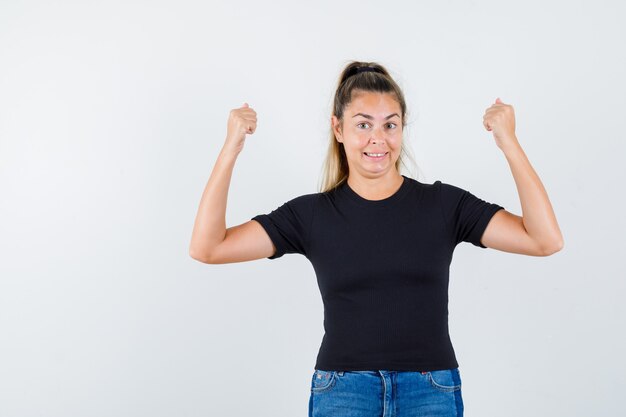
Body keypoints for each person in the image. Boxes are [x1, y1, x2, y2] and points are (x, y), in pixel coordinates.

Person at [189, 61, 564, 417]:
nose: (378, 140)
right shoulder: (311, 215)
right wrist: (230, 148)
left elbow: (544, 240)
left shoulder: (444, 205)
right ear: (338, 129)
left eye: (390, 125)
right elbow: (208, 248)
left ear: (403, 129)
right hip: (343, 391)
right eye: (363, 124)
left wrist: (509, 142)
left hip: (430, 390)